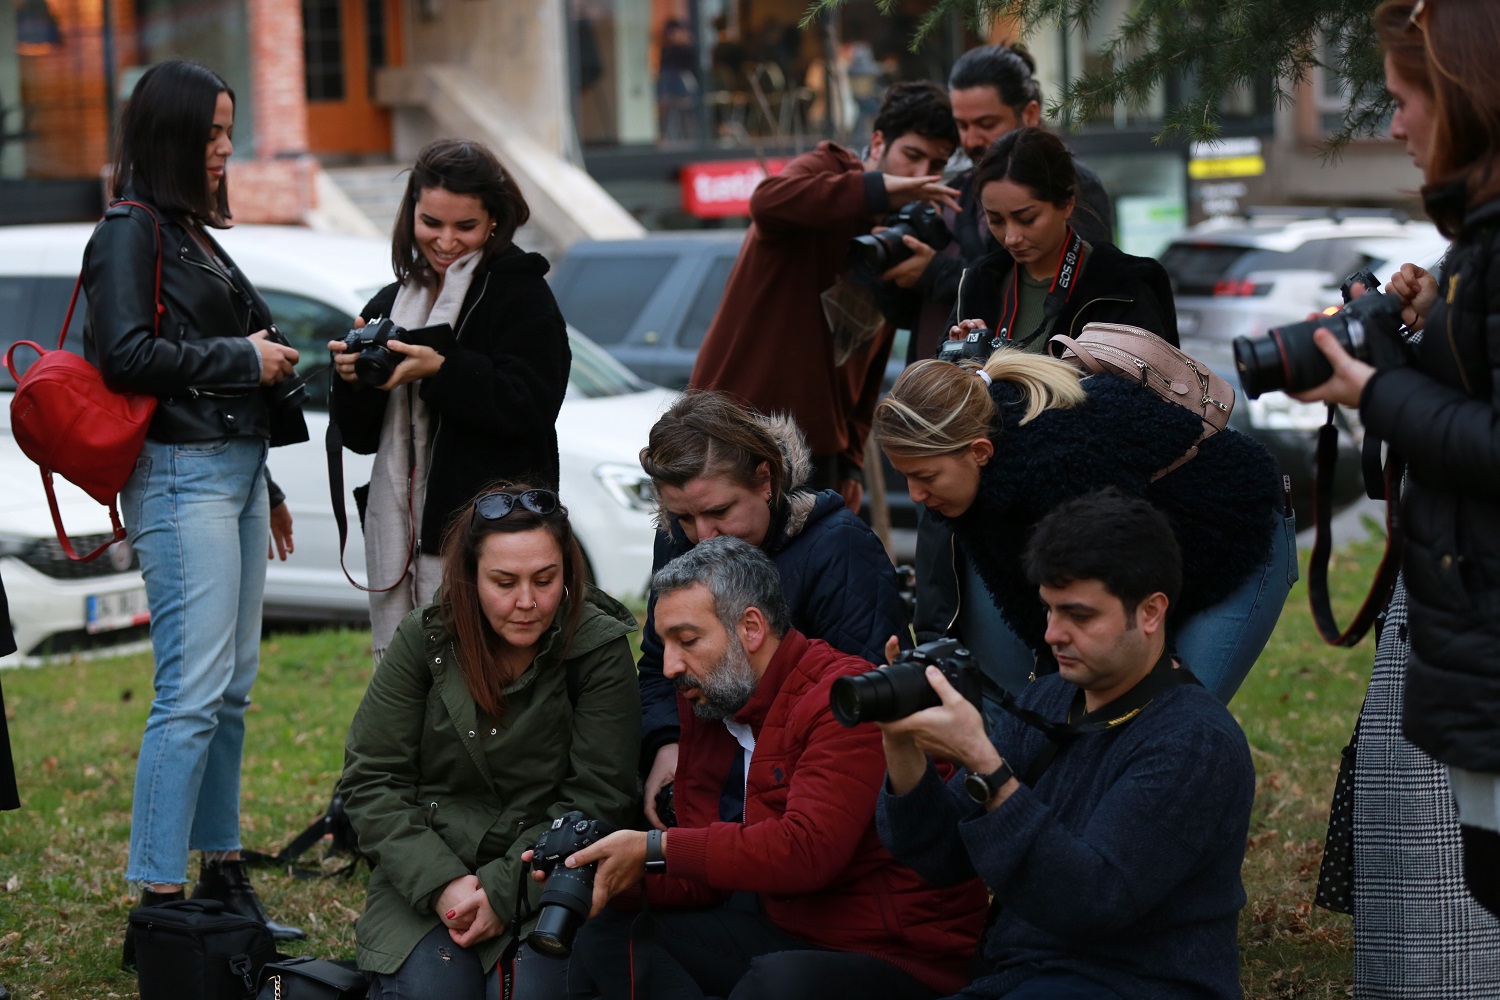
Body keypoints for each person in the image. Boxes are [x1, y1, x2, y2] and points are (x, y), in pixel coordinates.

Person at [553, 537, 988, 1000]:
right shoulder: (714, 702)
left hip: (897, 956)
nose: (671, 665)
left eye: (687, 640)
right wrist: (599, 872)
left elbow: (805, 854)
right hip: (792, 933)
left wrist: (653, 847)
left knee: (776, 983)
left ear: (752, 627)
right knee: (606, 932)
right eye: (664, 644)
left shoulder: (841, 699)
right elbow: (703, 879)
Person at [83, 58, 307, 939]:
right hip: (181, 478)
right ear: (173, 135)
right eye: (212, 133)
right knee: (191, 691)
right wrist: (243, 360)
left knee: (233, 689)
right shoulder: (129, 230)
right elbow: (123, 356)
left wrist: (272, 479)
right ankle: (161, 906)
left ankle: (219, 878)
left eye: (228, 130)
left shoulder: (188, 233)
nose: (225, 149)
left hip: (235, 472)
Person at [1291, 0, 1500, 925]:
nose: (1395, 123)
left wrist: (1372, 391)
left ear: (1463, 95)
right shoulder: (1476, 241)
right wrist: (1417, 340)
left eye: (1404, 99)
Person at [878, 489, 1255, 1000]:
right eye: (1049, 610)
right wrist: (900, 742)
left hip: (1138, 983)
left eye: (1079, 615)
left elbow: (1090, 899)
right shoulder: (1053, 697)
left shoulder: (1194, 742)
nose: (1054, 634)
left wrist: (987, 767)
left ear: (1149, 612)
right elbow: (943, 856)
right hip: (1021, 975)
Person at [339, 485, 640, 1000]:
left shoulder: (597, 648)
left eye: (545, 580)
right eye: (504, 582)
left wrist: (503, 893)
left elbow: (597, 798)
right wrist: (441, 885)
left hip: (550, 876)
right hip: (430, 875)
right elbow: (372, 780)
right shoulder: (423, 639)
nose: (527, 602)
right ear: (469, 579)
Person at [876, 350, 1291, 705]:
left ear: (979, 452)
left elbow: (1128, 602)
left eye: (926, 477)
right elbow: (1030, 608)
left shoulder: (1058, 463)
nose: (914, 494)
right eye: (905, 477)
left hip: (1237, 528)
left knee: (1172, 710)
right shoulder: (969, 494)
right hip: (1154, 545)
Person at [329, 138, 570, 662]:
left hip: (494, 537)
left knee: (488, 681)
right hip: (405, 533)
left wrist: (444, 368)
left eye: (465, 227)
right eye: (431, 222)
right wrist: (350, 379)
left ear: (493, 223)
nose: (445, 241)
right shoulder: (393, 302)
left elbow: (533, 403)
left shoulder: (520, 292)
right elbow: (361, 437)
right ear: (410, 214)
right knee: (411, 683)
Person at [633, 391, 911, 830]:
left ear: (765, 480)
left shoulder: (838, 549)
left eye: (719, 511)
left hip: (807, 800)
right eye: (684, 517)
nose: (704, 535)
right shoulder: (676, 541)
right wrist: (667, 743)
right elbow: (657, 665)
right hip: (707, 793)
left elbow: (865, 697)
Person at [689, 80, 959, 509]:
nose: (921, 173)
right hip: (733, 433)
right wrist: (879, 188)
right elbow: (767, 202)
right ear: (877, 142)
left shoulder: (897, 238)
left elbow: (868, 367)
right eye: (912, 155)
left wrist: (851, 462)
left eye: (936, 163)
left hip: (819, 454)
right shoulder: (830, 167)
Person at [881, 45, 1116, 365]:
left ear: (1030, 114)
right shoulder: (954, 190)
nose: (971, 140)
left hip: (1028, 385)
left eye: (986, 123)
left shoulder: (1070, 185)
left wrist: (936, 272)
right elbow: (912, 314)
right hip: (940, 387)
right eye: (962, 126)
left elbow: (1068, 290)